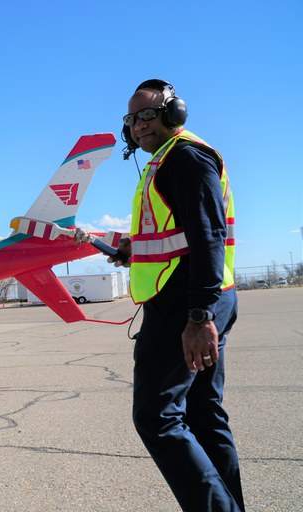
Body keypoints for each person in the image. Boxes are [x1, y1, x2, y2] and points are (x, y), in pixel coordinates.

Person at [113, 79, 243, 511]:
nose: (138, 126)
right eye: (131, 119)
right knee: (204, 416)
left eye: (147, 114)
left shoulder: (184, 158)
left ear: (174, 114)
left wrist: (198, 316)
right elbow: (182, 236)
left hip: (186, 308)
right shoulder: (166, 161)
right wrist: (137, 250)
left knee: (157, 417)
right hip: (199, 299)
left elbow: (208, 237)